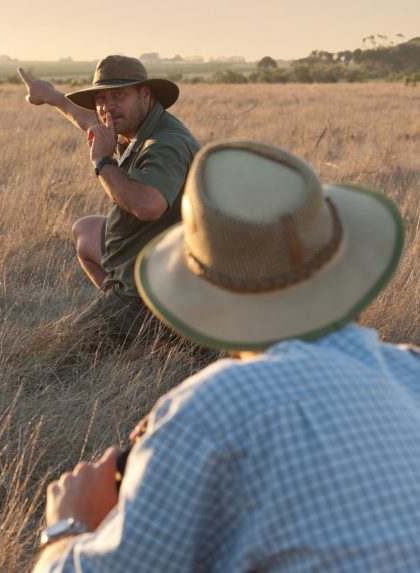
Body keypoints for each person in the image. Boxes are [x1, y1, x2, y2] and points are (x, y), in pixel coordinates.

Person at [34, 140, 420, 572]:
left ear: (205, 291)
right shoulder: (411, 371)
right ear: (337, 253)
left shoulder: (208, 410)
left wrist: (69, 526)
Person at [18, 56, 200, 347]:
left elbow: (148, 206)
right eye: (101, 98)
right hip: (152, 258)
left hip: (161, 285)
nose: (107, 106)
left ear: (145, 95)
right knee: (86, 230)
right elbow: (91, 121)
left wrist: (103, 161)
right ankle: (124, 311)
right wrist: (52, 97)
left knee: (57, 353)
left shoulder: (164, 144)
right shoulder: (140, 128)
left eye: (119, 95)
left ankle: (148, 327)